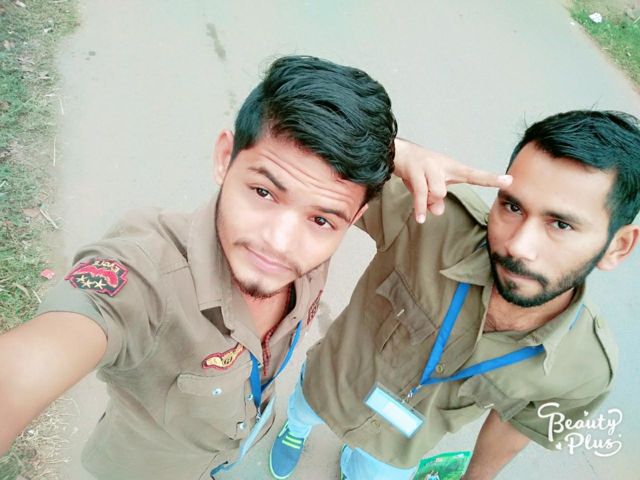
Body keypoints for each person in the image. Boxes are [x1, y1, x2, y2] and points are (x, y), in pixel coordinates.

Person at [0, 55, 506, 480]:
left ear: (353, 219)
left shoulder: (317, 237)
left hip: (243, 436)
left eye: (321, 220)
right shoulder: (145, 273)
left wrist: (400, 152)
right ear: (225, 157)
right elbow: (31, 362)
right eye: (263, 192)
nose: (279, 243)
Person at [270, 110, 640, 480]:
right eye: (512, 206)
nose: (518, 246)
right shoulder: (432, 216)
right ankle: (295, 429)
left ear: (618, 246)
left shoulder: (588, 370)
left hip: (397, 450)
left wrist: (475, 478)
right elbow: (302, 144)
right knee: (302, 410)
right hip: (328, 385)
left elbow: (518, 425)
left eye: (560, 224)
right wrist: (395, 151)